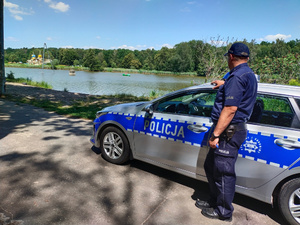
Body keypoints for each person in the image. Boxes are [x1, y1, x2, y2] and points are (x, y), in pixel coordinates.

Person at [195, 43, 258, 222]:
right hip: (229, 130)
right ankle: (215, 201)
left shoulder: (237, 77)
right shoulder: (247, 74)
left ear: (231, 56)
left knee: (223, 173)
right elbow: (240, 90)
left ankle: (223, 212)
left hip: (227, 132)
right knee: (211, 167)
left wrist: (215, 134)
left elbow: (230, 109)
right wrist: (224, 84)